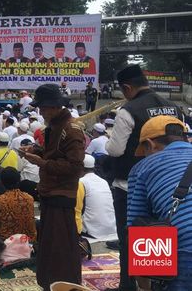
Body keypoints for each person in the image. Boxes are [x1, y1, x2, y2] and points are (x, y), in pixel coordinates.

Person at [104, 65, 182, 291]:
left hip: (131, 185)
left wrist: (109, 141)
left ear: (127, 87)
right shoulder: (174, 107)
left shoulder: (129, 110)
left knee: (129, 238)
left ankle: (127, 287)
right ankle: (160, 284)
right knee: (158, 237)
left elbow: (116, 150)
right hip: (168, 184)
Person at [21, 83, 84, 288]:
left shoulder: (70, 130)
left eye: (43, 108)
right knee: (50, 244)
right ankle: (50, 282)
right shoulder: (55, 126)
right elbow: (54, 154)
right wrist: (37, 150)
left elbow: (74, 167)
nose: (40, 112)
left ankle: (64, 283)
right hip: (50, 190)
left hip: (61, 193)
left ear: (55, 106)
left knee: (61, 246)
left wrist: (41, 162)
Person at [127, 116, 192, 289]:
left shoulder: (143, 167)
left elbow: (138, 228)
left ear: (150, 144)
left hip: (186, 248)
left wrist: (144, 285)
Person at [0, 167, 37, 241]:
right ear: (19, 180)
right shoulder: (29, 198)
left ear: (2, 182)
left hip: (6, 240)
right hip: (28, 239)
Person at [79, 155, 116, 241]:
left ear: (80, 167)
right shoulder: (103, 181)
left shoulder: (81, 182)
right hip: (111, 230)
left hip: (92, 233)